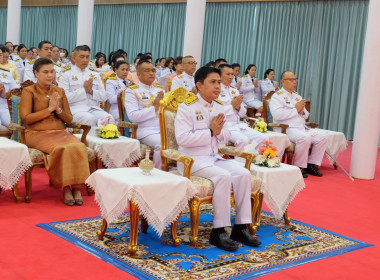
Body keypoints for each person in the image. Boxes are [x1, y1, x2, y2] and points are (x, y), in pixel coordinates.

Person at [175, 66, 261, 251]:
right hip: (193, 160)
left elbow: (227, 133)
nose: (217, 86)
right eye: (212, 82)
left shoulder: (221, 106)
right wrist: (210, 132)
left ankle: (240, 227)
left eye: (218, 82)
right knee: (223, 176)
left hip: (213, 157)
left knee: (244, 173)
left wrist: (219, 133)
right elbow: (182, 139)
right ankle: (218, 231)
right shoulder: (187, 107)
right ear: (199, 85)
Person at [20, 58, 90, 206]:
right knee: (62, 149)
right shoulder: (29, 91)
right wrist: (49, 110)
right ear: (36, 73)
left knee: (79, 146)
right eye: (45, 72)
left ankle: (77, 188)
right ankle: (65, 188)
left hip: (60, 132)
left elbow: (69, 118)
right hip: (37, 133)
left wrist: (58, 110)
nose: (50, 75)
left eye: (52, 71)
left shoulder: (59, 91)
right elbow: (26, 119)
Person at [269, 71, 328, 178]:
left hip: (301, 128)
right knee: (304, 138)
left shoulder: (297, 96)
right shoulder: (277, 96)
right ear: (283, 81)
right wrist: (296, 109)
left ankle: (311, 165)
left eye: (295, 79)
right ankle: (299, 167)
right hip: (287, 128)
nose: (294, 82)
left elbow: (306, 115)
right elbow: (277, 115)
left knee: (322, 137)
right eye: (291, 79)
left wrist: (302, 111)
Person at [124, 59, 165, 168]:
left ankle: (174, 171)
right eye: (147, 71)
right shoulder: (132, 91)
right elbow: (132, 116)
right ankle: (157, 173)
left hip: (162, 129)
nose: (152, 73)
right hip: (144, 130)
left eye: (153, 70)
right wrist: (154, 108)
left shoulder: (160, 90)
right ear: (138, 74)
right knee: (162, 144)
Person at [58, 45, 111, 126]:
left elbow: (104, 97)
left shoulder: (95, 74)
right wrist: (84, 90)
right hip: (75, 110)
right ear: (74, 58)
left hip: (94, 108)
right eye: (82, 57)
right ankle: (85, 139)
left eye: (87, 57)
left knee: (109, 118)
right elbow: (64, 98)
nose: (85, 60)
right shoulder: (66, 74)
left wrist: (92, 91)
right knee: (89, 119)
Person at [219, 64, 268, 150]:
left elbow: (243, 113)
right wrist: (232, 106)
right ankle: (241, 163)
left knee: (263, 138)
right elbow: (215, 111)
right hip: (225, 127)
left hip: (237, 125)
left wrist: (238, 107)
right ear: (219, 75)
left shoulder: (234, 90)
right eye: (228, 74)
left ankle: (255, 161)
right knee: (244, 140)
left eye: (232, 74)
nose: (231, 77)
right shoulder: (216, 90)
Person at [0, 49, 19, 127]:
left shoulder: (7, 73)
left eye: (0, 55)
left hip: (4, 108)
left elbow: (16, 92)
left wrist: (4, 94)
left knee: (17, 127)